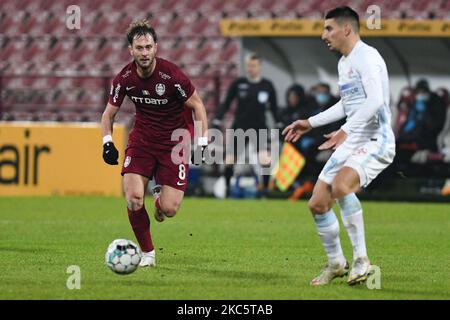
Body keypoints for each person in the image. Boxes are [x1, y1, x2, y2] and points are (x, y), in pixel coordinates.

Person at [283, 6, 396, 286]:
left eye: (328, 28)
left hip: (375, 139)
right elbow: (348, 104)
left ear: (347, 29)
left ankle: (361, 260)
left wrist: (345, 130)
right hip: (353, 137)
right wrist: (310, 122)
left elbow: (376, 100)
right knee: (318, 203)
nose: (324, 35)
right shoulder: (344, 63)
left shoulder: (367, 57)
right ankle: (336, 263)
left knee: (342, 186)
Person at [100, 20, 208, 268]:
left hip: (174, 142)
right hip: (143, 141)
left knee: (170, 210)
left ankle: (159, 198)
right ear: (131, 50)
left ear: (156, 47)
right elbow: (108, 115)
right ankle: (147, 253)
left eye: (149, 47)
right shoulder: (124, 78)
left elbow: (198, 106)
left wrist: (202, 143)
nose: (145, 52)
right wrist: (107, 142)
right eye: (140, 48)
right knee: (134, 198)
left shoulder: (172, 76)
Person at [212, 53, 280, 198]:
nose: (251, 68)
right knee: (230, 161)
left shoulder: (267, 85)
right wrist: (218, 119)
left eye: (254, 65)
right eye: (248, 65)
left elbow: (274, 109)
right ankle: (227, 189)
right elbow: (227, 103)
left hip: (260, 128)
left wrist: (279, 123)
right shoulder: (238, 83)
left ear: (259, 66)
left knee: (265, 161)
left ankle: (265, 191)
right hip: (240, 128)